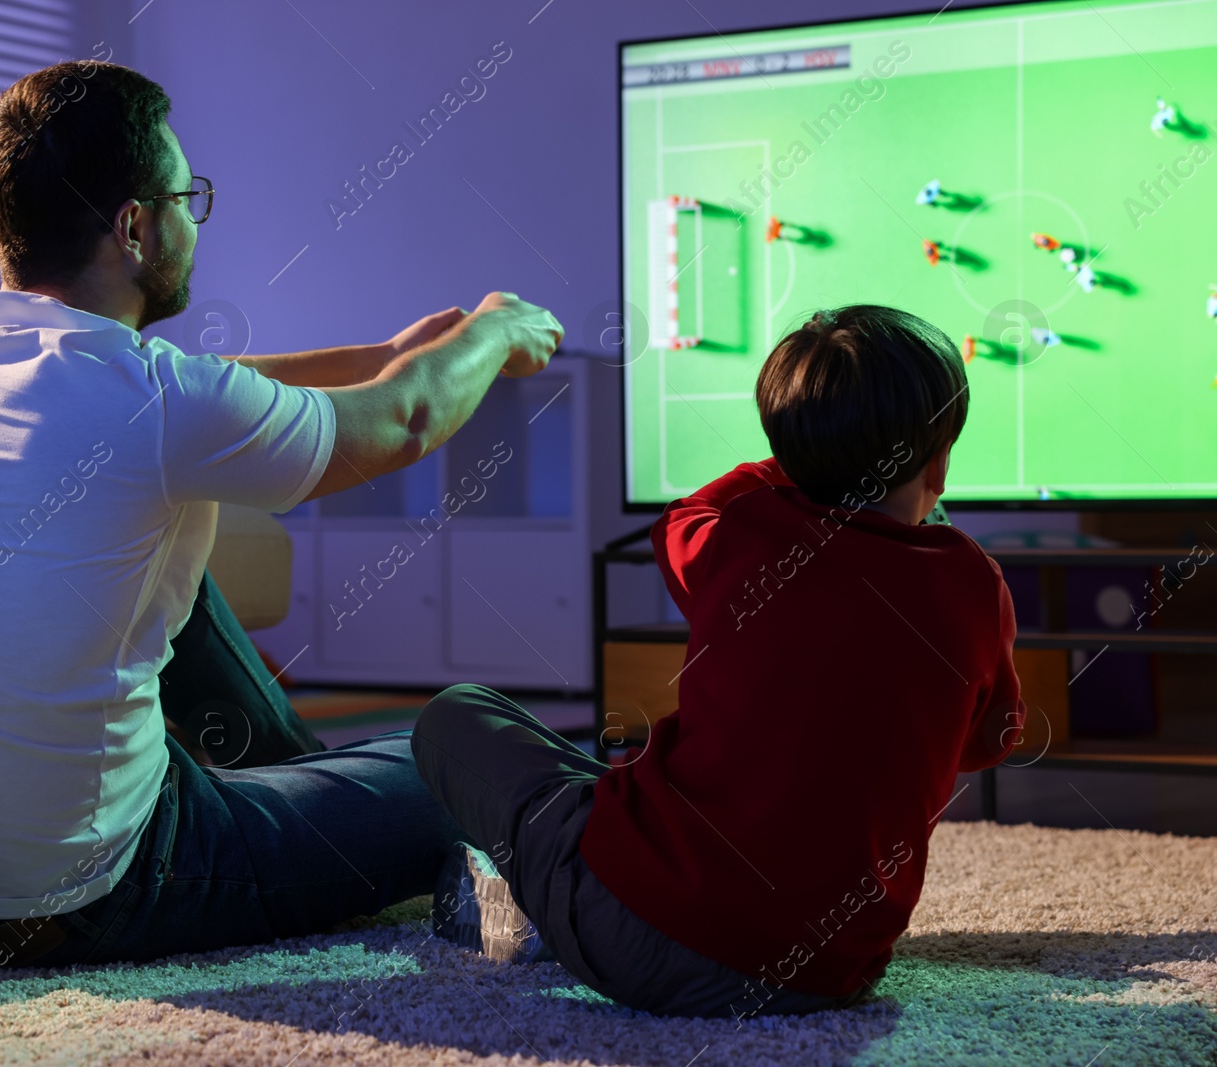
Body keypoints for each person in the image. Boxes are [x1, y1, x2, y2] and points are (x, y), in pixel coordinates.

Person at [0, 59, 562, 970]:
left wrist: (385, 351)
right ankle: (353, 823)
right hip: (87, 892)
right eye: (185, 197)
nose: (193, 220)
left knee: (173, 569)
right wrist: (492, 330)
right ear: (135, 225)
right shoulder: (152, 402)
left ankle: (304, 792)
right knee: (467, 759)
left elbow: (206, 396)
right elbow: (405, 420)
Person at [412, 305, 1024, 1020]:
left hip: (635, 934)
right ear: (940, 462)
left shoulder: (743, 537)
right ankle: (538, 907)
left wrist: (795, 461)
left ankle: (531, 905)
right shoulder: (975, 585)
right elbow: (992, 739)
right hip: (830, 974)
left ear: (786, 458)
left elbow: (678, 519)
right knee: (607, 792)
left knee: (457, 716)